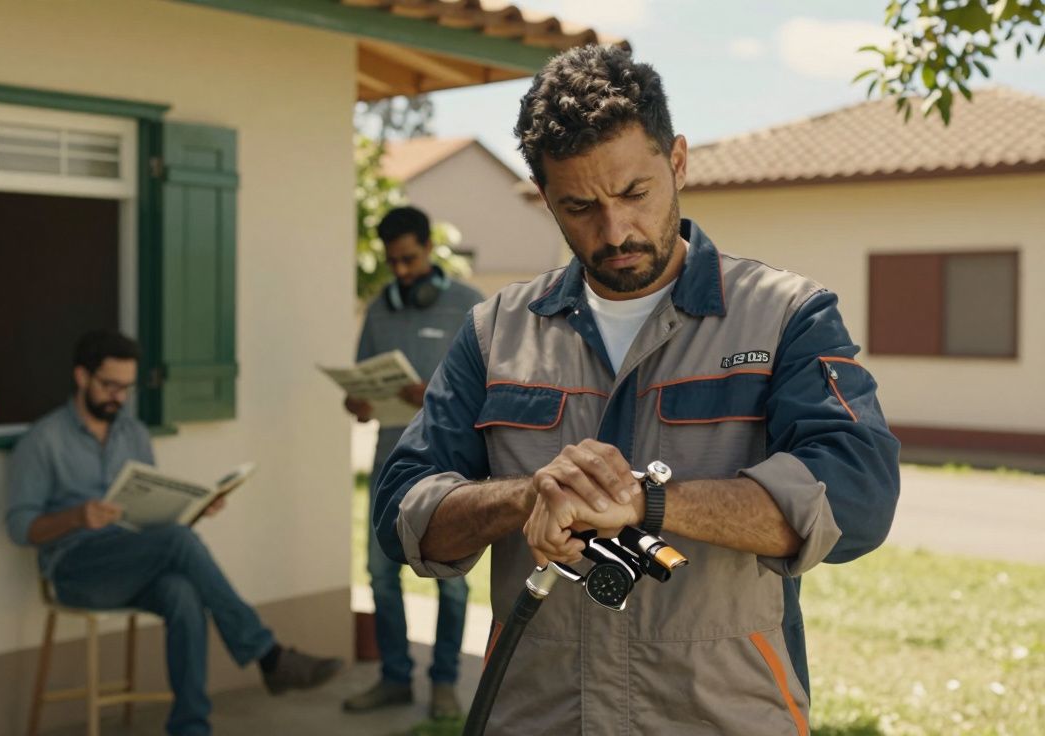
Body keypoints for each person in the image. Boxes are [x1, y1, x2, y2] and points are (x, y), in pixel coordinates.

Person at [372, 45, 901, 735]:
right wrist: (526, 497)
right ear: (543, 196)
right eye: (580, 206)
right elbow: (400, 511)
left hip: (724, 718)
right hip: (536, 716)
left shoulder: (785, 315)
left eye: (634, 194)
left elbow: (858, 498)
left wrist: (650, 502)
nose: (614, 230)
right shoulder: (494, 332)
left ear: (677, 161)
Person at [7, 329, 342, 736]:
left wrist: (194, 510)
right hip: (76, 570)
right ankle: (267, 655)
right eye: (109, 385)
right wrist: (78, 517)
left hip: (133, 559)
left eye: (126, 388)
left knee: (182, 593)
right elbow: (21, 528)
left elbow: (150, 519)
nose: (119, 397)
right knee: (177, 543)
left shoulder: (133, 434)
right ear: (81, 377)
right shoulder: (43, 440)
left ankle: (190, 727)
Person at [343, 206, 484, 719]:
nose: (401, 271)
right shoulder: (379, 309)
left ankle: (444, 681)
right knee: (380, 576)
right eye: (393, 262)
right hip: (386, 467)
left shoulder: (470, 307)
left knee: (451, 581)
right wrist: (358, 401)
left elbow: (487, 395)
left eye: (409, 259)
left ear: (428, 248)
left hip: (449, 469)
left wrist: (433, 395)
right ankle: (394, 677)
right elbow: (363, 382)